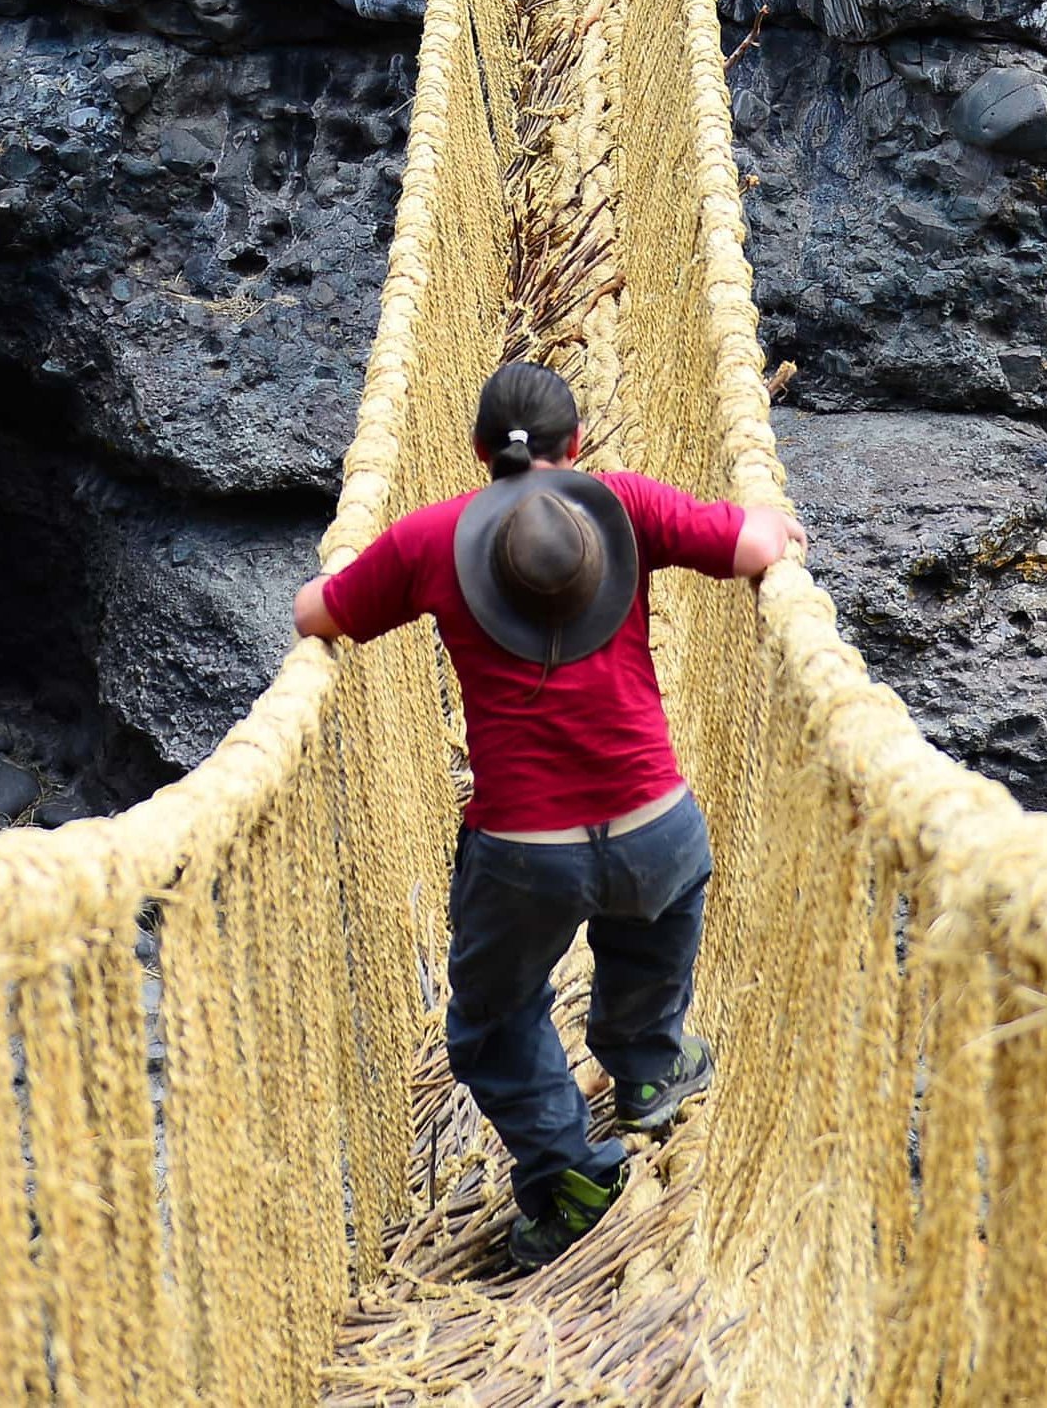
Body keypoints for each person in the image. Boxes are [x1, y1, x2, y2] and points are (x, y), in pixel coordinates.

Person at [294, 361, 805, 1272]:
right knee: (652, 933)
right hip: (660, 829)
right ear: (578, 449)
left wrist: (350, 562)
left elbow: (317, 613)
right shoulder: (624, 505)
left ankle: (569, 1174)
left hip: (524, 856)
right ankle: (648, 1067)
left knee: (493, 1019)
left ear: (478, 453)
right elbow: (761, 542)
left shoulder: (432, 537)